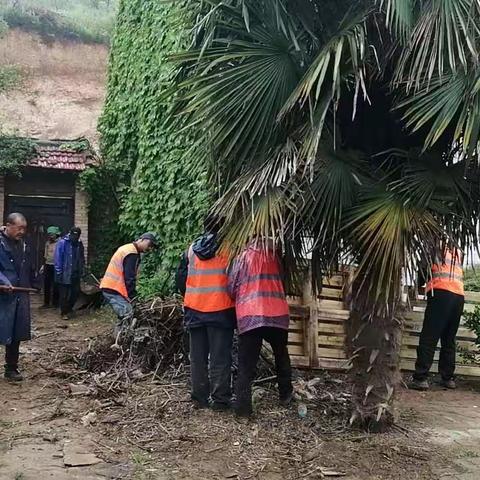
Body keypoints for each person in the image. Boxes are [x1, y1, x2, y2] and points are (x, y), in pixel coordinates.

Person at [176, 215, 235, 410]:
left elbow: (180, 279)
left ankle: (199, 398)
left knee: (198, 358)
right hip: (221, 310)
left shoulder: (192, 250)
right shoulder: (229, 249)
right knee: (220, 358)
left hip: (194, 309)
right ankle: (220, 401)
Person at [228, 239, 293, 417]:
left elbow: (232, 287)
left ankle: (243, 410)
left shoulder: (242, 258)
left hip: (251, 315)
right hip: (277, 313)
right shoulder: (277, 256)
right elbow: (285, 281)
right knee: (281, 356)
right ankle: (286, 396)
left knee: (246, 366)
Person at [410, 247, 464, 390]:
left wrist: (416, 285)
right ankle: (448, 378)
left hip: (440, 292)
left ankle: (420, 378)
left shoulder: (432, 246)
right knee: (448, 338)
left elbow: (423, 270)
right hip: (458, 295)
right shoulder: (456, 250)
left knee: (429, 336)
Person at [0, 213, 39, 381]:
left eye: (24, 228)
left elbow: (28, 268)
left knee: (15, 333)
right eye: (19, 228)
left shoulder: (23, 245)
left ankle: (11, 369)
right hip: (2, 296)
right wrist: (3, 281)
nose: (22, 231)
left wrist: (36, 281)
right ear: (8, 225)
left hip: (19, 294)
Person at [100, 233, 158, 336]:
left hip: (112, 287)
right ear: (142, 240)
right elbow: (129, 278)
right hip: (113, 289)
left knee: (124, 315)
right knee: (128, 314)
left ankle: (118, 338)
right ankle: (124, 342)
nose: (150, 248)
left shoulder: (128, 249)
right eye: (150, 245)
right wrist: (133, 297)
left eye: (152, 247)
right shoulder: (131, 253)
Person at [54, 227, 85, 320]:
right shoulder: (62, 242)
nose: (75, 237)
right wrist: (58, 271)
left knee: (75, 292)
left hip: (75, 272)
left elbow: (81, 257)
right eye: (73, 235)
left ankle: (69, 308)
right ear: (70, 233)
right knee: (64, 294)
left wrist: (82, 268)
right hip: (65, 272)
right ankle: (64, 312)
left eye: (77, 235)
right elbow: (58, 258)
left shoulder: (79, 244)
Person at [41, 226, 61, 308]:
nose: (50, 236)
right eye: (49, 234)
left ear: (56, 234)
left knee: (56, 285)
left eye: (52, 234)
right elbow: (45, 255)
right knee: (47, 284)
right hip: (47, 265)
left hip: (56, 266)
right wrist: (43, 265)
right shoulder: (47, 243)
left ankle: (55, 304)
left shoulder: (60, 243)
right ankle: (46, 303)